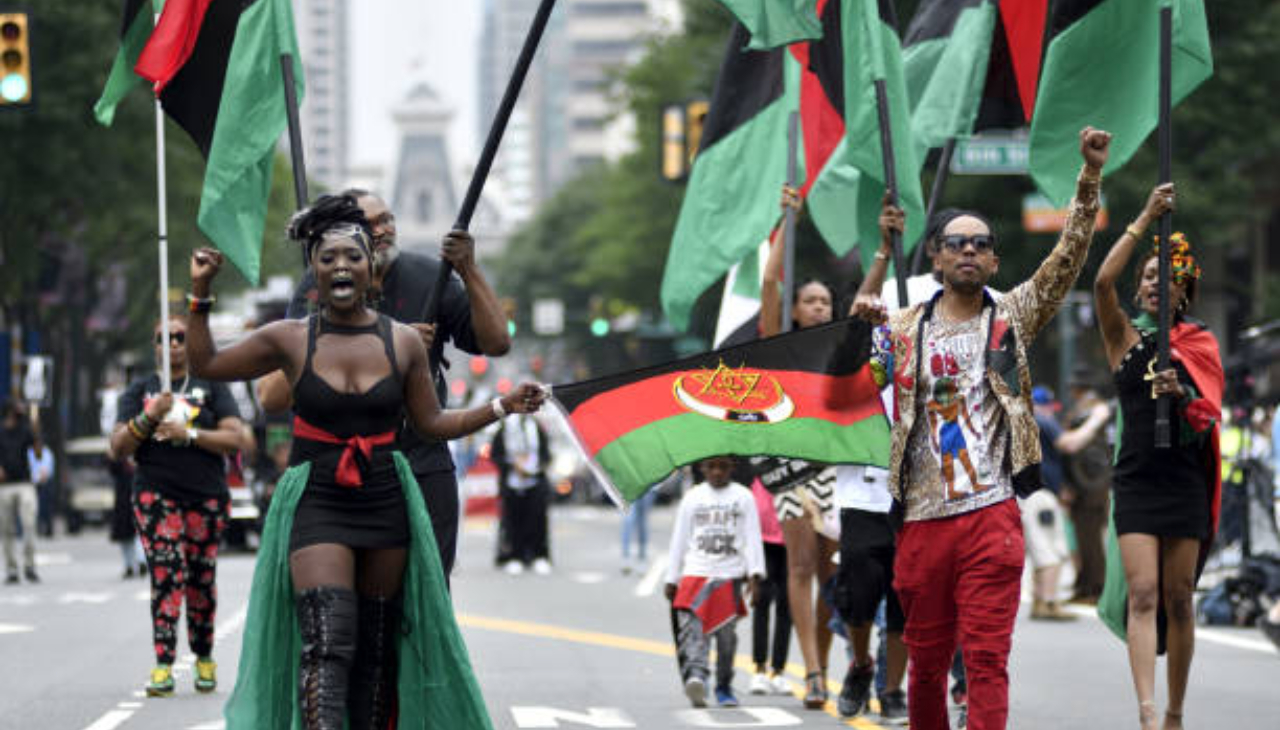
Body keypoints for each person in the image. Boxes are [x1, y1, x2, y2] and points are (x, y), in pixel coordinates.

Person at [186, 195, 545, 729]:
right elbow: (210, 364)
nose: (340, 267)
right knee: (328, 640)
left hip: (387, 500)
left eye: (352, 257)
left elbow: (433, 423)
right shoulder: (291, 335)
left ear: (371, 269)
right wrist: (200, 293)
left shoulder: (403, 342)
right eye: (327, 258)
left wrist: (501, 405)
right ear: (314, 269)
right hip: (320, 501)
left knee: (378, 651)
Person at [853, 126, 1112, 730]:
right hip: (919, 521)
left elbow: (1068, 257)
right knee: (925, 665)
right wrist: (857, 326)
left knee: (988, 659)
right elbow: (856, 385)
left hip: (991, 514)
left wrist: (1089, 177)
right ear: (937, 257)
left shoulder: (1012, 318)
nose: (968, 251)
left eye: (981, 244)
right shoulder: (899, 328)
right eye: (955, 242)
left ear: (993, 260)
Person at [258, 188, 512, 580]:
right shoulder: (317, 286)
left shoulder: (430, 276)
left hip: (420, 460)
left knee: (425, 597)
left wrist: (469, 270)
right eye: (371, 223)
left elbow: (496, 342)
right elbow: (271, 396)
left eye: (388, 219)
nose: (384, 230)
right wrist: (387, 342)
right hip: (339, 471)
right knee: (339, 611)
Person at [1093, 183, 1223, 730]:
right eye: (1148, 277)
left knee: (1180, 599)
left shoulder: (1199, 344)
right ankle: (1146, 712)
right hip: (1138, 481)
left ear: (1184, 290)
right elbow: (1102, 282)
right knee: (1142, 594)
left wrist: (1182, 395)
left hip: (1184, 481)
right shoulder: (1122, 337)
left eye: (1166, 279)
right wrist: (1146, 215)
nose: (1153, 286)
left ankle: (1174, 711)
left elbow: (1209, 417)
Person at [109, 315, 246, 695]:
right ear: (153, 346)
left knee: (201, 579)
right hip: (156, 494)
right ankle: (164, 664)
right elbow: (118, 446)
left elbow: (236, 438)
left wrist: (191, 434)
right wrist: (149, 416)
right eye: (163, 338)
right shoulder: (140, 390)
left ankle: (203, 656)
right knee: (166, 573)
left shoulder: (211, 386)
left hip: (206, 496)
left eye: (179, 337)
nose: (172, 344)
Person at [759, 191, 842, 708]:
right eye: (810, 301)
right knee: (800, 567)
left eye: (825, 302)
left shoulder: (844, 348)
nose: (819, 307)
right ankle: (810, 670)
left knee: (836, 574)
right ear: (794, 309)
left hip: (837, 469)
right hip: (789, 467)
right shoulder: (779, 344)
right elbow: (769, 281)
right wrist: (787, 219)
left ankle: (827, 666)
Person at [664, 456, 765, 709]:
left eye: (723, 466)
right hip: (696, 574)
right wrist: (671, 577)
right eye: (711, 467)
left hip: (728, 576)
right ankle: (697, 678)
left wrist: (755, 574)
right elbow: (679, 538)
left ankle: (724, 685)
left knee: (726, 638)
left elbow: (753, 537)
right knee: (694, 633)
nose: (717, 472)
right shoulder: (693, 497)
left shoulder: (743, 497)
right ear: (702, 469)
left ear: (733, 467)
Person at [1025, 386, 1078, 621]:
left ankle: (1039, 599)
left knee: (1039, 548)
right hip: (1042, 494)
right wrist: (1096, 421)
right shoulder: (1041, 420)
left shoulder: (1025, 421)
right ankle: (1048, 601)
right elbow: (1069, 444)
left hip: (1032, 493)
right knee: (1051, 548)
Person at [1061, 370, 1114, 602]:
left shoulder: (1091, 410)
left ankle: (1095, 587)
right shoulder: (1091, 408)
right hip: (1087, 483)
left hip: (1089, 485)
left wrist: (1074, 484)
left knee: (1090, 538)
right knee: (1084, 538)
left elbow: (1087, 455)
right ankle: (1084, 585)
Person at [491, 410, 552, 575]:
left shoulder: (536, 426)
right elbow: (495, 454)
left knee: (537, 520)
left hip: (535, 481)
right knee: (512, 521)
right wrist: (513, 465)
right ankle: (514, 556)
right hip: (512, 482)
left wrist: (537, 467)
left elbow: (546, 453)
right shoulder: (505, 427)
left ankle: (539, 556)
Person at [747, 476, 791, 696]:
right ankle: (759, 669)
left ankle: (779, 671)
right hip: (762, 542)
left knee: (787, 606)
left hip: (790, 541)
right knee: (761, 602)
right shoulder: (757, 465)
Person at [0, 403, 37, 584]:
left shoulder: (26, 430)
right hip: (4, 485)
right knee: (6, 529)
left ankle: (29, 565)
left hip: (24, 483)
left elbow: (37, 453)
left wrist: (35, 425)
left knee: (29, 524)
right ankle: (12, 569)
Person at [28, 432, 54, 538]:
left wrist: (42, 475)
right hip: (33, 483)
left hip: (45, 483)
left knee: (46, 506)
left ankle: (48, 529)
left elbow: (47, 469)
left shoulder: (47, 453)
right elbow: (29, 467)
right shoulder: (29, 453)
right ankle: (36, 528)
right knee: (33, 508)